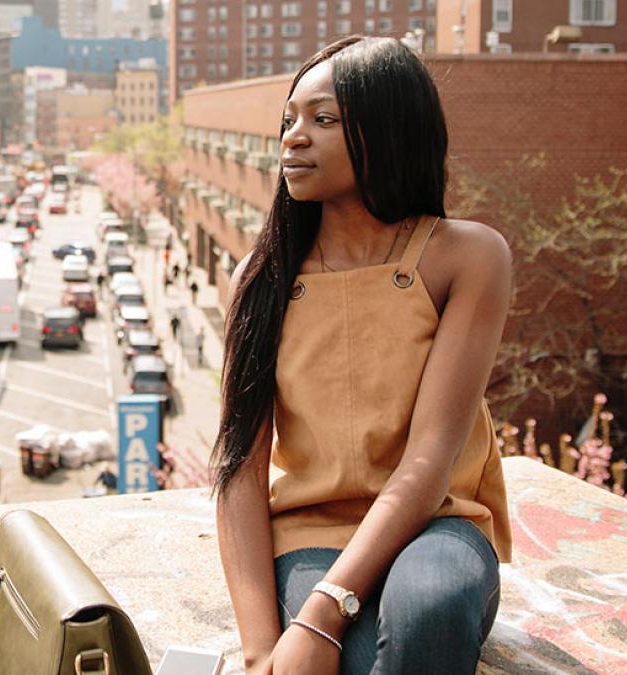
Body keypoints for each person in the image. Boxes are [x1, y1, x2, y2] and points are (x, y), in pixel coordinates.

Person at [212, 37, 512, 675]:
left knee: (427, 609)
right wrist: (263, 650)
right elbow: (240, 469)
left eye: (323, 120)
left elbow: (429, 461)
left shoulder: (466, 256)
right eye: (289, 120)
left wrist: (321, 616)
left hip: (438, 523)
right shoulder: (259, 279)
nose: (293, 138)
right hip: (311, 533)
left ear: (388, 129)